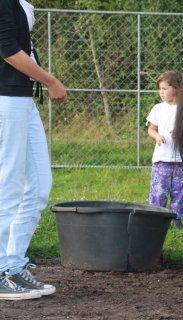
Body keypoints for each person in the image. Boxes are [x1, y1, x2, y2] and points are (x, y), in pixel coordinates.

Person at [0, 0, 67, 300]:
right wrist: (50, 79)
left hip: (22, 99)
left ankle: (13, 264)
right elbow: (8, 50)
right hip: (6, 99)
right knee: (8, 184)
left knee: (39, 184)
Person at [147, 71, 183, 229]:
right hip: (162, 159)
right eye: (159, 89)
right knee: (159, 190)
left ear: (176, 88)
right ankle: (155, 217)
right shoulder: (158, 108)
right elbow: (151, 129)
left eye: (164, 88)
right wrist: (156, 136)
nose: (161, 92)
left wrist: (180, 132)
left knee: (179, 192)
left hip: (181, 160)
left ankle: (176, 219)